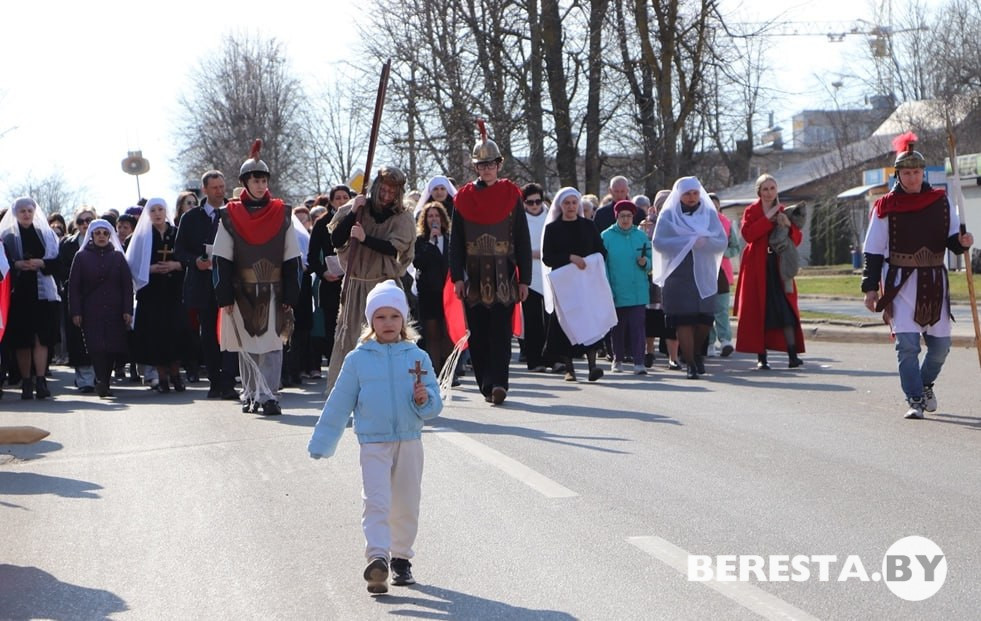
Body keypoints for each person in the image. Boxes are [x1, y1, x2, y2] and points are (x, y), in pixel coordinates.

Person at [308, 280, 442, 594]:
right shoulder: (358, 359)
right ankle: (377, 558)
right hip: (373, 442)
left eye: (394, 317)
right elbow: (339, 402)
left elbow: (435, 404)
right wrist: (323, 441)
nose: (388, 324)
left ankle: (401, 559)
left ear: (404, 320)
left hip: (409, 440)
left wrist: (423, 401)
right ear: (370, 321)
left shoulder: (417, 356)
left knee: (407, 502)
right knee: (377, 501)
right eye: (380, 317)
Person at [861, 132, 974, 419]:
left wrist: (962, 243)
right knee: (908, 345)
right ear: (898, 174)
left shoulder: (941, 201)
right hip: (901, 283)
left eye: (916, 172)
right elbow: (873, 251)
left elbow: (951, 241)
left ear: (923, 173)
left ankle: (924, 384)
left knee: (941, 348)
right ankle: (914, 399)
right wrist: (870, 288)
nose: (912, 178)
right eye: (907, 172)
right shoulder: (886, 206)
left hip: (935, 281)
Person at [212, 140, 302, 415]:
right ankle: (251, 393)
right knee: (248, 346)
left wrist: (291, 294)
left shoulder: (282, 214)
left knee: (273, 346)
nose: (261, 186)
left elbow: (292, 258)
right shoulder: (230, 216)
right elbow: (221, 260)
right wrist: (224, 296)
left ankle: (269, 395)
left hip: (274, 290)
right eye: (255, 180)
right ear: (245, 182)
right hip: (242, 291)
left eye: (263, 180)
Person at [449, 122, 532, 404]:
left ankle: (500, 383)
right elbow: (456, 241)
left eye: (491, 164)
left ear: (499, 165)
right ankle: (486, 382)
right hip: (473, 275)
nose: (486, 169)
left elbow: (521, 238)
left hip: (504, 273)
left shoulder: (511, 195)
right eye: (481, 165)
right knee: (480, 333)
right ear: (476, 167)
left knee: (500, 333)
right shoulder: (463, 198)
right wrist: (457, 277)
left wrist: (524, 280)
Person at [326, 168, 416, 393]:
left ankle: (389, 391)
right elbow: (337, 239)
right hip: (356, 283)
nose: (386, 196)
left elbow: (394, 248)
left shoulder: (403, 216)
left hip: (384, 285)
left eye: (392, 192)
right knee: (350, 337)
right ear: (376, 187)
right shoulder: (359, 207)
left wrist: (365, 239)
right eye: (383, 190)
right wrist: (353, 212)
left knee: (386, 338)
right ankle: (345, 392)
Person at [652, 177, 728, 380]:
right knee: (684, 320)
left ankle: (695, 353)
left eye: (695, 193)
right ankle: (691, 365)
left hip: (703, 274)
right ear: (679, 195)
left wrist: (705, 242)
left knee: (704, 319)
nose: (692, 197)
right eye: (687, 194)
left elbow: (721, 242)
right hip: (678, 274)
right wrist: (685, 242)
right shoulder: (669, 215)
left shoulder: (709, 214)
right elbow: (658, 243)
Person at [733, 174, 806, 370]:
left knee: (786, 310)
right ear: (759, 192)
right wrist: (768, 218)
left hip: (779, 266)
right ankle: (761, 358)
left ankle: (792, 355)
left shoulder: (784, 211)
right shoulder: (751, 211)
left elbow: (796, 240)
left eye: (772, 188)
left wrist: (788, 225)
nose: (769, 192)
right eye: (765, 189)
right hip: (756, 267)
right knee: (759, 311)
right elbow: (748, 235)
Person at [175, 170, 237, 398]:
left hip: (230, 283)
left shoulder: (234, 213)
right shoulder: (191, 218)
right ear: (205, 190)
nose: (220, 191)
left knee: (229, 332)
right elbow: (179, 250)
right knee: (209, 334)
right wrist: (195, 261)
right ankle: (215, 380)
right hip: (202, 284)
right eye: (215, 188)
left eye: (222, 187)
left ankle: (229, 381)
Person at [541, 186, 606, 382]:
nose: (570, 206)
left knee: (589, 320)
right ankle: (569, 368)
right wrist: (570, 258)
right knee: (565, 323)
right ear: (560, 206)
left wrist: (590, 261)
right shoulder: (553, 229)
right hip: (564, 284)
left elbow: (601, 251)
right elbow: (548, 258)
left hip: (586, 282)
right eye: (567, 203)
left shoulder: (588, 226)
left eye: (574, 203)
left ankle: (593, 366)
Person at [0, 198, 62, 399]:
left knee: (40, 339)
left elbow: (57, 264)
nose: (26, 214)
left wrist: (41, 263)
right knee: (22, 340)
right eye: (22, 211)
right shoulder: (7, 236)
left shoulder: (46, 235)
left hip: (42, 294)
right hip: (19, 294)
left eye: (29, 210)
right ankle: (26, 382)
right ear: (15, 213)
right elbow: (4, 263)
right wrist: (16, 265)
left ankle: (41, 380)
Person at [126, 197, 187, 393]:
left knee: (176, 333)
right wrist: (149, 269)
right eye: (153, 210)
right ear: (148, 214)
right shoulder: (142, 237)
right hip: (152, 295)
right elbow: (132, 264)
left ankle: (176, 375)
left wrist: (176, 265)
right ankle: (161, 378)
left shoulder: (177, 233)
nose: (157, 214)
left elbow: (188, 258)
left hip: (174, 292)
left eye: (160, 209)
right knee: (156, 335)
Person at [68, 219, 133, 398]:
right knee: (96, 346)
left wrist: (128, 310)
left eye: (105, 233)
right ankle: (101, 380)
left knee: (111, 346)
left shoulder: (118, 257)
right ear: (92, 235)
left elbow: (127, 285)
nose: (102, 236)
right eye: (98, 233)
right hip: (91, 310)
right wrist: (76, 311)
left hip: (114, 309)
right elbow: (74, 287)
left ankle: (105, 381)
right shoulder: (81, 257)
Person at [602, 200, 652, 374]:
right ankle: (618, 358)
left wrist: (646, 263)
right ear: (617, 217)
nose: (625, 220)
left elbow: (651, 259)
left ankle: (639, 362)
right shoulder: (606, 236)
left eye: (629, 216)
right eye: (622, 216)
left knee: (638, 327)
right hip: (616, 288)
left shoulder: (640, 236)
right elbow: (603, 265)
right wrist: (607, 287)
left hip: (638, 289)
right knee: (618, 327)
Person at [306, 185, 353, 374]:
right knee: (332, 326)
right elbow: (311, 257)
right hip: (330, 282)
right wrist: (323, 272)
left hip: (353, 281)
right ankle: (336, 367)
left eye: (345, 197)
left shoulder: (360, 219)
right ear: (331, 201)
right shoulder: (322, 222)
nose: (342, 201)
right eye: (338, 198)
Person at [59, 208, 97, 392]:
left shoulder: (104, 239)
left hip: (99, 298)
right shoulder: (68, 244)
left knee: (98, 338)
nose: (85, 224)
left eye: (89, 220)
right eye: (81, 221)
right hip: (76, 297)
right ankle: (84, 380)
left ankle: (100, 375)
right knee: (78, 339)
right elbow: (62, 269)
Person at [412, 201, 453, 375]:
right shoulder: (421, 241)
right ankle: (434, 370)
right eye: (430, 216)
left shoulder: (450, 240)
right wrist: (430, 243)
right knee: (432, 333)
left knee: (447, 333)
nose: (433, 219)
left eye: (436, 215)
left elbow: (451, 264)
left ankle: (449, 370)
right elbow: (418, 262)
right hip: (428, 293)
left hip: (447, 292)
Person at [520, 183, 551, 372]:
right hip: (529, 274)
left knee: (550, 319)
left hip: (549, 273)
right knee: (532, 320)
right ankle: (534, 359)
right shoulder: (519, 220)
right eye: (530, 202)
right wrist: (529, 254)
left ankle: (552, 357)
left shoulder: (550, 217)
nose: (534, 206)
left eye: (537, 201)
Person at [708, 193, 740, 357]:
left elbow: (736, 247)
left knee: (721, 309)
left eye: (716, 206)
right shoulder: (700, 223)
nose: (713, 209)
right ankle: (709, 343)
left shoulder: (726, 223)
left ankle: (725, 340)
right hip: (705, 271)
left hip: (723, 272)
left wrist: (723, 253)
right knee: (707, 310)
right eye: (710, 206)